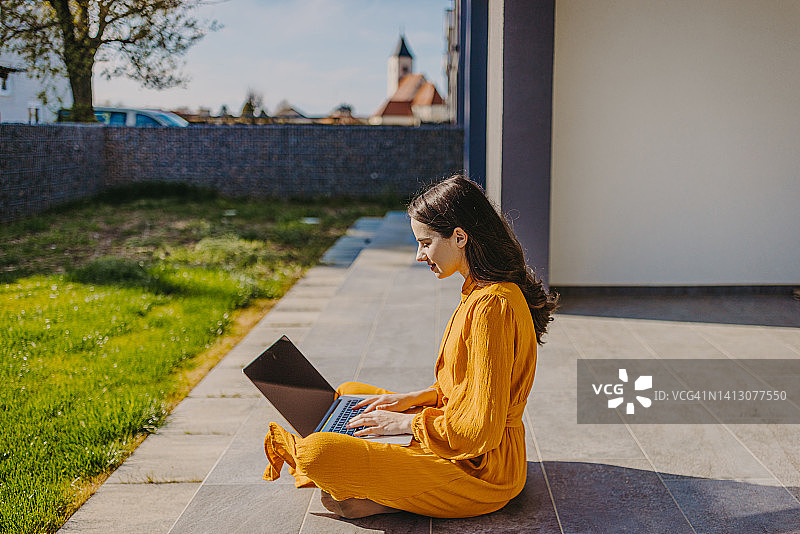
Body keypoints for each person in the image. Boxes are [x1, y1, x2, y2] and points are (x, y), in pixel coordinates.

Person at [262, 174, 559, 519]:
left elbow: (479, 430)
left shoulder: (492, 306)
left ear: (459, 237)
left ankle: (376, 490)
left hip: (481, 470)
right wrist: (414, 400)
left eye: (426, 243)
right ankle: (378, 489)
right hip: (461, 439)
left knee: (316, 453)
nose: (420, 255)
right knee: (350, 393)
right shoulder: (479, 291)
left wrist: (406, 425)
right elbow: (465, 389)